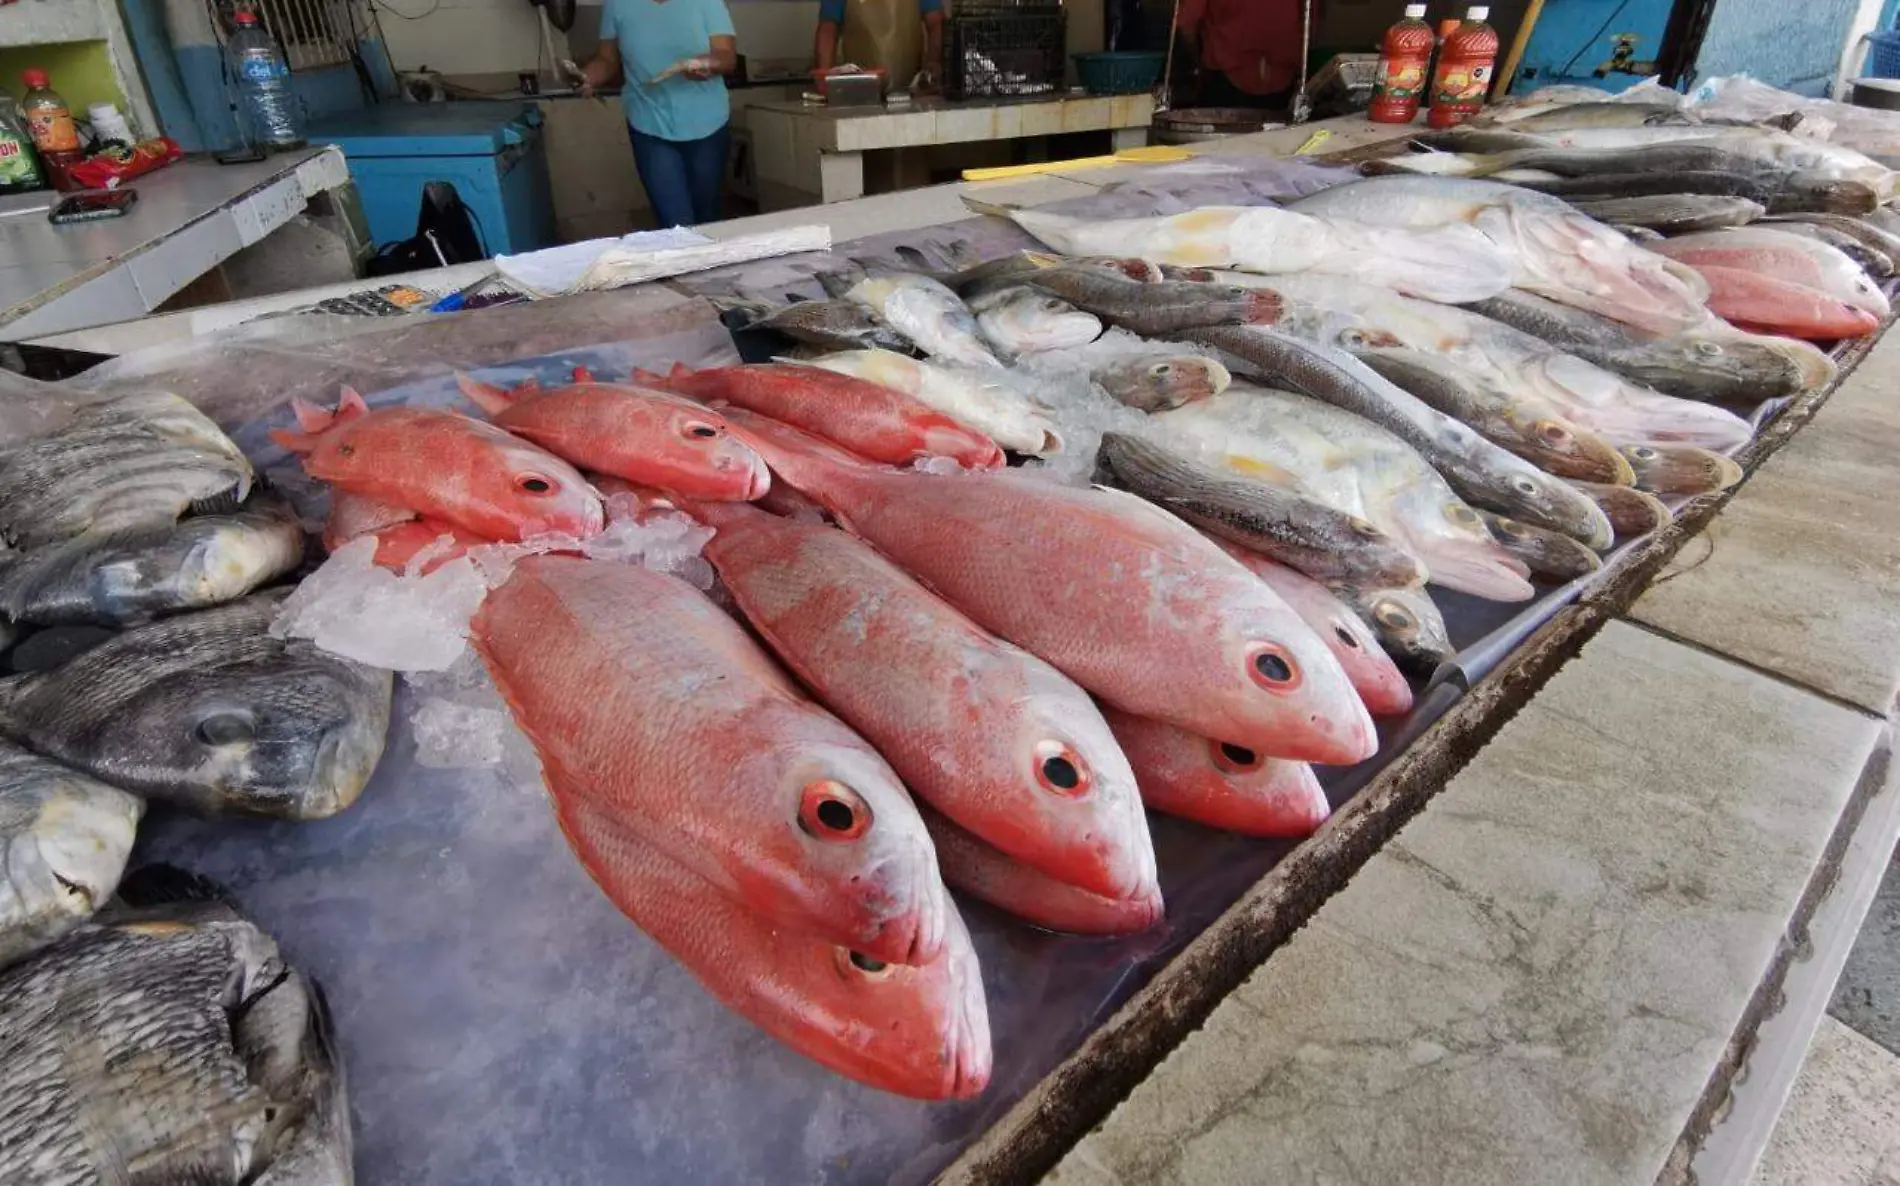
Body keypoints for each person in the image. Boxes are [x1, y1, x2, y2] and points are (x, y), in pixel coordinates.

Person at [579, 0, 737, 228]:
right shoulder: (617, 5)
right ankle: (682, 261)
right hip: (649, 122)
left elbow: (726, 55)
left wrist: (706, 63)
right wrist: (585, 78)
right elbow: (607, 60)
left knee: (707, 219)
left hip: (707, 123)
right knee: (675, 224)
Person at [1174, 0, 1315, 110]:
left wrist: (1196, 61)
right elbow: (1310, 18)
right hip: (1284, 76)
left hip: (1225, 77)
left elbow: (1187, 23)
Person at [813, 0, 945, 92]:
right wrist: (825, 79)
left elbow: (936, 24)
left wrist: (932, 65)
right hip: (857, 91)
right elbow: (828, 30)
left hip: (910, 91)